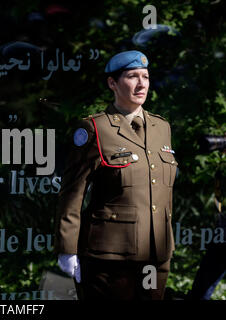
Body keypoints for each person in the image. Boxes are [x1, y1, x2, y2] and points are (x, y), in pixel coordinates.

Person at [54, 50, 178, 300]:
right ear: (113, 83)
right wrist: (67, 248)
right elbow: (72, 193)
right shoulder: (94, 128)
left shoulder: (161, 127)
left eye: (145, 76)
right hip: (109, 257)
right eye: (133, 76)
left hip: (156, 254)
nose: (142, 83)